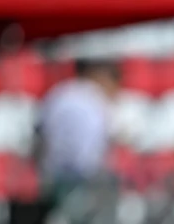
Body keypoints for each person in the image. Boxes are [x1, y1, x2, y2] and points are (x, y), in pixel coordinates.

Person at [36, 59, 120, 206]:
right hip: (86, 176)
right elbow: (103, 140)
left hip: (53, 173)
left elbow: (41, 132)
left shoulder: (59, 91)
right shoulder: (96, 99)